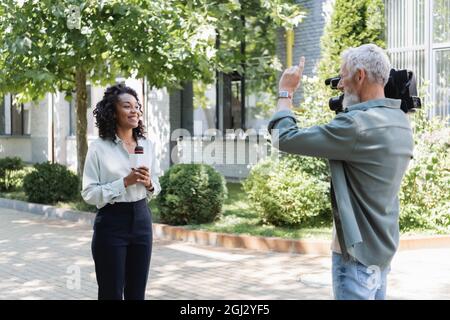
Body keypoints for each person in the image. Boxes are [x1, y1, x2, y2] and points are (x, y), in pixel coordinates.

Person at [268, 44, 414, 300]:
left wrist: (286, 92)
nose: (338, 85)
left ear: (359, 76)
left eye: (343, 75)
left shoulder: (356, 126)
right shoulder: (399, 120)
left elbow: (284, 137)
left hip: (356, 257)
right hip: (381, 251)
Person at [81, 84, 161, 300]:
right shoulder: (99, 148)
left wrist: (149, 184)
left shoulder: (147, 144)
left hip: (142, 220)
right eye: (127, 106)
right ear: (113, 112)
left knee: (137, 294)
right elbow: (89, 193)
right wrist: (123, 182)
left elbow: (157, 184)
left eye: (137, 106)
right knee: (111, 293)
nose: (134, 111)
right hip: (111, 223)